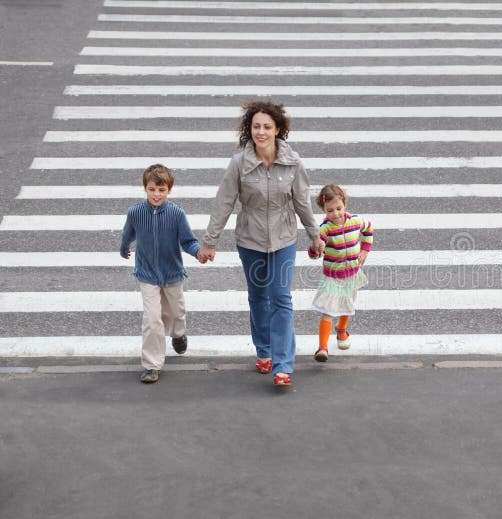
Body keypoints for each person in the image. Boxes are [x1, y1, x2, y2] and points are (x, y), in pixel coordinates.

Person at [197, 100, 324, 387]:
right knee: (258, 298)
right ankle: (264, 350)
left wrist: (315, 236)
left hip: (284, 239)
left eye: (267, 126)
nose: (261, 132)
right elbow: (224, 203)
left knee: (281, 298)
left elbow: (302, 202)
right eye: (256, 126)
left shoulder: (293, 162)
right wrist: (209, 242)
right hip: (250, 240)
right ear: (249, 129)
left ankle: (282, 365)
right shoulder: (239, 163)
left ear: (278, 129)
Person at [120, 163, 203, 384]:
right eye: (152, 189)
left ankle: (178, 333)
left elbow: (188, 241)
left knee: (175, 312)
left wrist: (199, 253)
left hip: (172, 272)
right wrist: (124, 247)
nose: (156, 194)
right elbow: (128, 234)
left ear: (169, 190)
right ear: (145, 188)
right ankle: (151, 365)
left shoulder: (176, 214)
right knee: (152, 319)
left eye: (162, 190)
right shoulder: (135, 213)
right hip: (147, 274)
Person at [308, 184, 374, 362]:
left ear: (345, 204)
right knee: (327, 310)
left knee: (348, 304)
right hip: (332, 277)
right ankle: (322, 347)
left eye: (339, 208)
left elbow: (368, 230)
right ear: (323, 210)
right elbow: (316, 252)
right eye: (330, 210)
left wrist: (365, 250)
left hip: (351, 273)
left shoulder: (356, 221)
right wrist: (315, 250)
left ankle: (341, 330)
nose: (335, 213)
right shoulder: (324, 229)